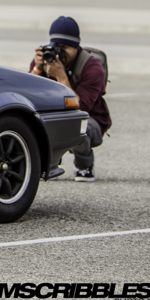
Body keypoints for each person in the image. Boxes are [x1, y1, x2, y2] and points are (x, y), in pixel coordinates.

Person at [30, 16, 111, 182]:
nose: (59, 53)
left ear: (76, 46)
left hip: (91, 119)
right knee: (37, 122)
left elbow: (81, 107)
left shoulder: (92, 68)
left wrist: (61, 77)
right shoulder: (46, 59)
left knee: (79, 125)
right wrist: (37, 69)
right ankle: (50, 167)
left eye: (64, 48)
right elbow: (29, 95)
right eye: (56, 47)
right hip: (56, 115)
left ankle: (84, 166)